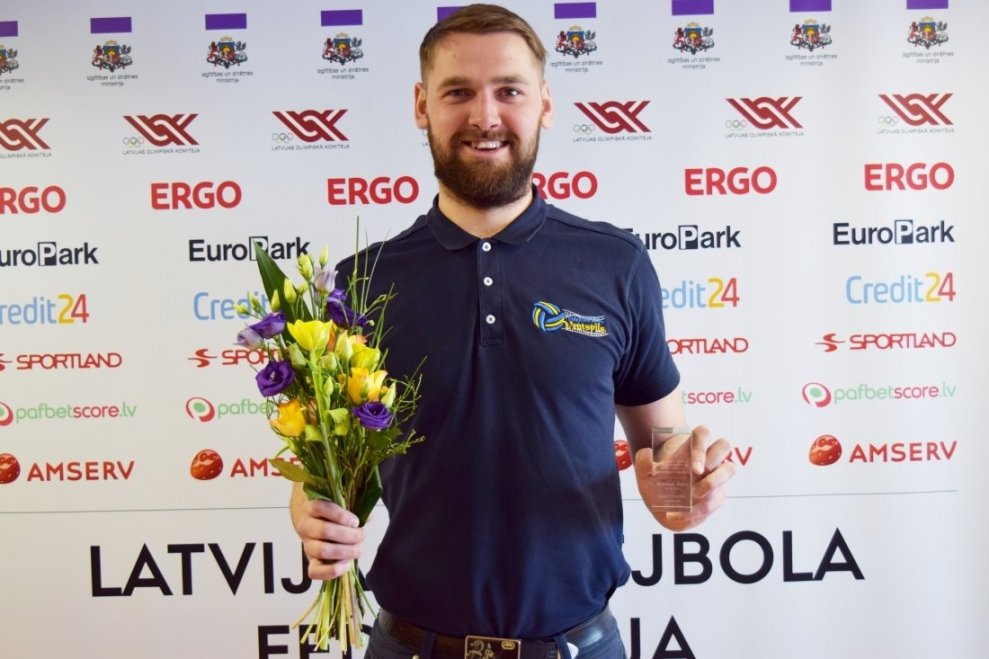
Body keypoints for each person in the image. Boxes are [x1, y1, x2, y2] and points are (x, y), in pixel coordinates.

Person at [291, 5, 734, 658]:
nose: (485, 116)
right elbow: (321, 471)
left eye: (509, 90)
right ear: (421, 105)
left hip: (578, 645)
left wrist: (680, 488)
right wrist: (312, 514)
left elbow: (662, 442)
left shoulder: (616, 264)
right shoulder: (361, 283)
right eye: (458, 93)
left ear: (544, 104)